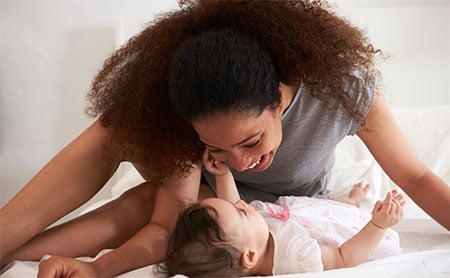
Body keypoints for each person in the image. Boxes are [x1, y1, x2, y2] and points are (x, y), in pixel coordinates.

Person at [0, 0, 448, 277]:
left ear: (277, 98)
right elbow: (164, 223)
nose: (237, 161)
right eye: (217, 148)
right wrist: (99, 270)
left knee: (145, 203)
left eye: (251, 142)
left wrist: (99, 269)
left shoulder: (342, 89)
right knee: (133, 168)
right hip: (211, 199)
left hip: (280, 205)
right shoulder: (187, 112)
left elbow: (415, 175)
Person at [159, 151, 404, 277]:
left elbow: (232, 203)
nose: (242, 205)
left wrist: (222, 175)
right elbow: (343, 257)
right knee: (336, 212)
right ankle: (355, 208)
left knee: (321, 204)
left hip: (310, 211)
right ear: (250, 257)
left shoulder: (248, 238)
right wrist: (378, 226)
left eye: (237, 206)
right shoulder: (297, 256)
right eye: (240, 212)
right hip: (348, 233)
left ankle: (350, 201)